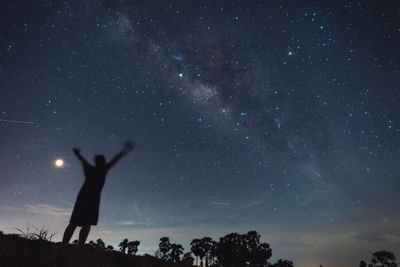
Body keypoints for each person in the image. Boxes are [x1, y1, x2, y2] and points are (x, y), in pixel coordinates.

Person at [62, 140, 135, 245]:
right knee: (84, 223)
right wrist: (125, 150)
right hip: (91, 199)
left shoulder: (92, 168)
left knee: (77, 222)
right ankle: (78, 246)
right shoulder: (103, 169)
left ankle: (67, 244)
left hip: (85, 197)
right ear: (103, 162)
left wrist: (77, 154)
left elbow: (83, 160)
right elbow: (115, 159)